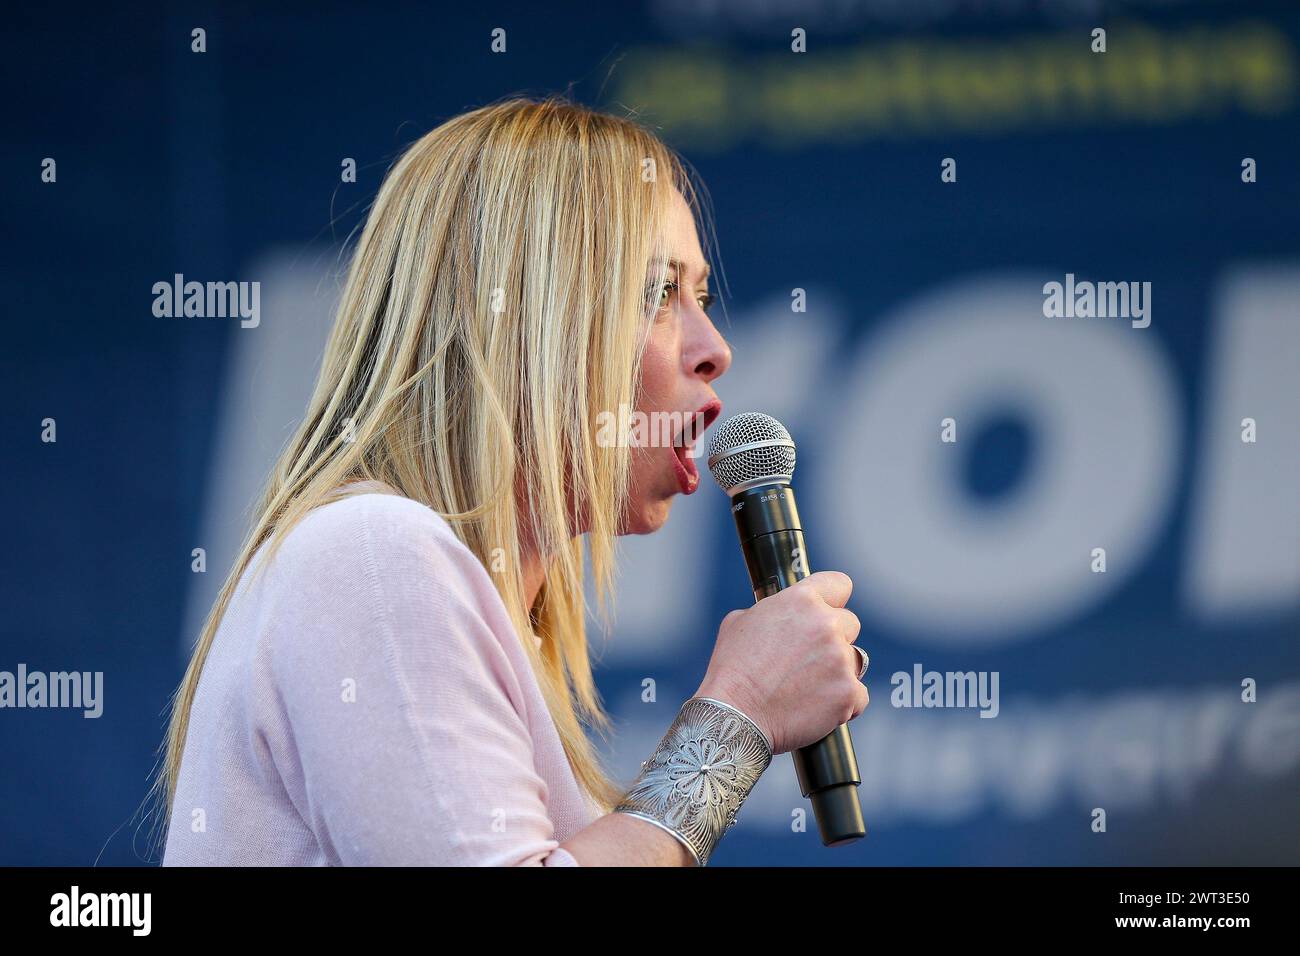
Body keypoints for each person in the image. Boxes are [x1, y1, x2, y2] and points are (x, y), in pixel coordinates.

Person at [159, 96, 869, 866]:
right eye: (657, 294)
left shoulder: (429, 579)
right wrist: (738, 716)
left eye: (700, 295)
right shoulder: (372, 550)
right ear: (522, 321)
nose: (715, 348)